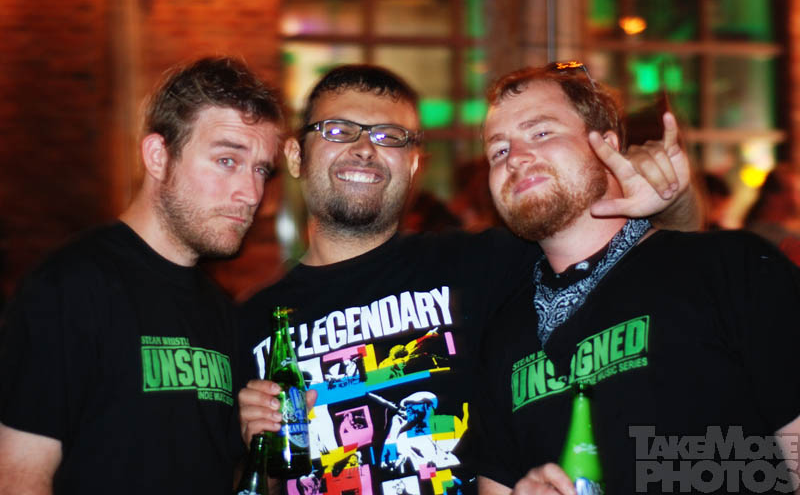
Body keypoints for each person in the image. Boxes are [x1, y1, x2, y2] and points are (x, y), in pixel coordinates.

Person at [237, 64, 696, 495]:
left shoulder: (483, 262)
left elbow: (641, 256)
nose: (364, 149)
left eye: (389, 136)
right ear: (295, 156)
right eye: (338, 130)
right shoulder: (248, 321)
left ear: (414, 164)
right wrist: (260, 456)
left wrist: (670, 197)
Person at [475, 64, 800, 495]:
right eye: (498, 151)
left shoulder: (731, 268)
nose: (515, 157)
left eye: (541, 132)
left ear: (607, 146)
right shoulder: (503, 333)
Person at [0, 57, 283, 494]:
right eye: (227, 160)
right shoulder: (70, 286)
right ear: (157, 156)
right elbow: (18, 475)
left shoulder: (220, 309)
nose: (251, 193)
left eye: (261, 169)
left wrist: (256, 440)